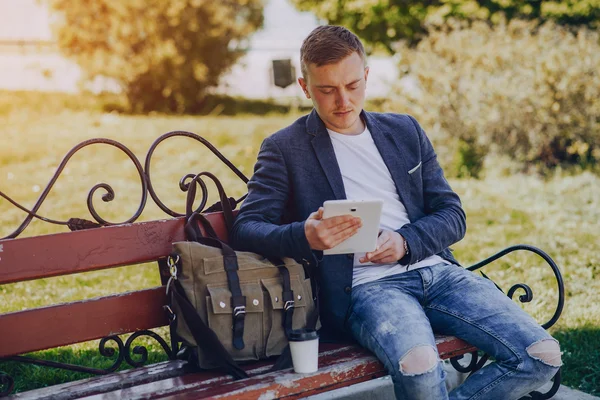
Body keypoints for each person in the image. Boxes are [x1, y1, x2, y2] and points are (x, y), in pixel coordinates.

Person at [231, 25, 561, 399]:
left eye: (353, 85)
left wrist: (406, 241)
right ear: (305, 87)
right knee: (419, 369)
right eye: (327, 90)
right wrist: (305, 235)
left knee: (542, 356)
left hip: (437, 271)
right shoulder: (284, 147)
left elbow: (452, 213)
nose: (343, 101)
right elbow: (246, 227)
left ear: (367, 77)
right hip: (366, 288)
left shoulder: (404, 130)